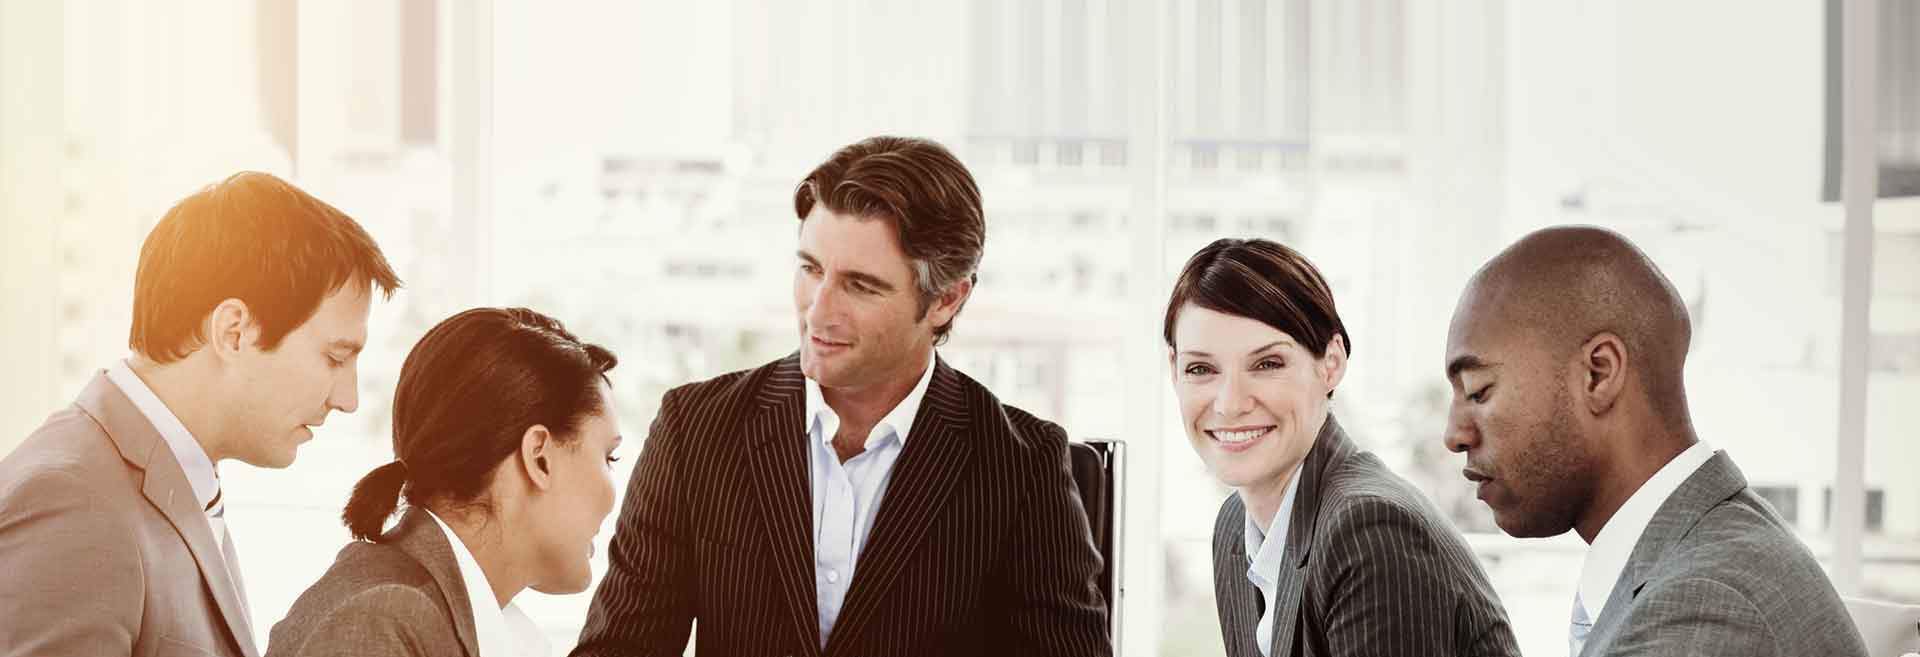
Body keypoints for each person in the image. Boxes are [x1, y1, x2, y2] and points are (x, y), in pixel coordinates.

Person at [573, 136, 1109, 657]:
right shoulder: (696, 428)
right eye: (810, 269)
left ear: (946, 298)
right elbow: (622, 646)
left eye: (860, 285)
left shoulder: (1022, 465)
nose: (818, 310)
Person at [0, 172, 400, 657]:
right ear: (234, 331)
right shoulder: (74, 503)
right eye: (335, 358)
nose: (348, 398)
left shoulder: (170, 482)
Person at [1441, 225, 1869, 657]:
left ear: (1598, 374)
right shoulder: (1696, 555)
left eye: (1479, 391)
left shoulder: (1703, 602)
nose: (1454, 435)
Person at [1168, 238, 1519, 657]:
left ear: (1330, 363)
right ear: (1174, 371)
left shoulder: (1369, 528)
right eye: (1201, 369)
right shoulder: (1235, 527)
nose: (1229, 403)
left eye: (1267, 364)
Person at [267, 307, 623, 657]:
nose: (613, 494)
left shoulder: (439, 616)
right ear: (539, 457)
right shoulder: (384, 620)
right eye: (609, 457)